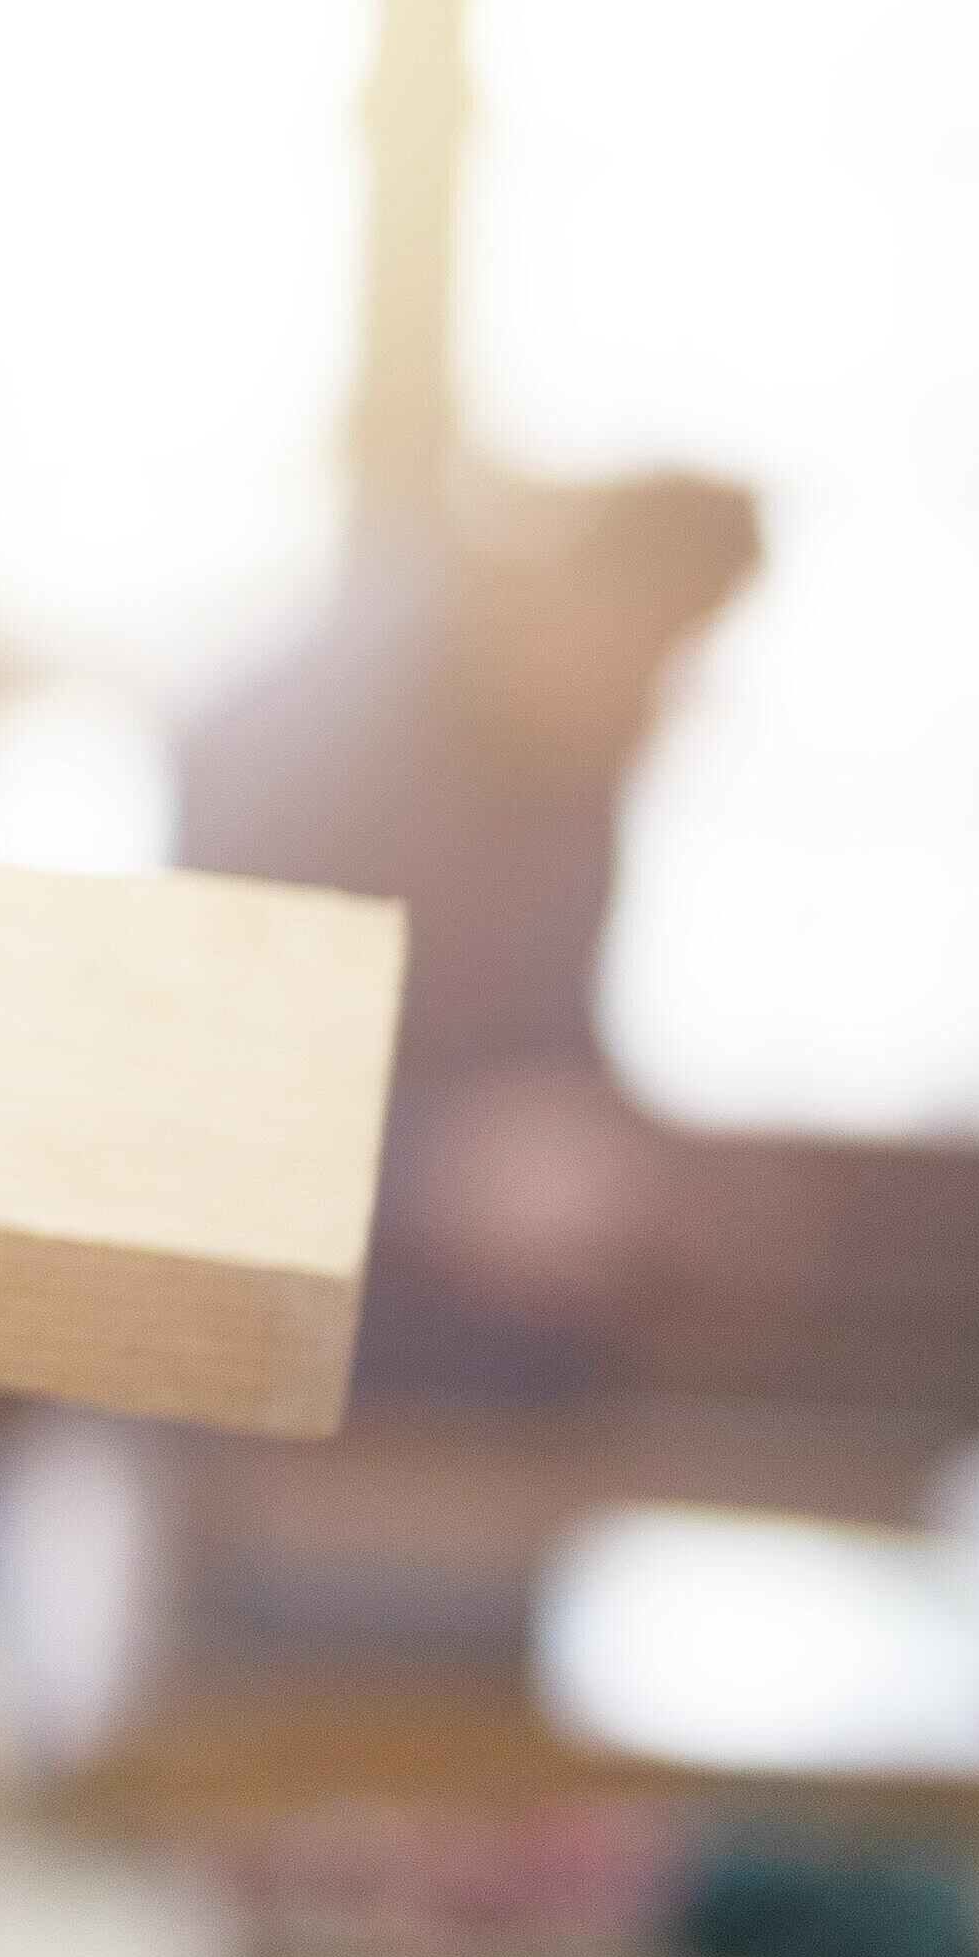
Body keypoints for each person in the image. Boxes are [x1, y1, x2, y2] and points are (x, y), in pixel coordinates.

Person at [175, 467, 763, 1403]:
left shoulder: (576, 752)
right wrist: (435, 1171)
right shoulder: (309, 743)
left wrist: (656, 1185)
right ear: (583, 591)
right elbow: (191, 1100)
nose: (659, 700)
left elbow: (546, 1058)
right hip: (277, 1393)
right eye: (656, 649)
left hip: (487, 1384)